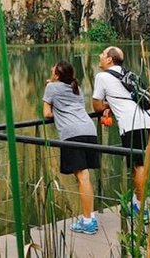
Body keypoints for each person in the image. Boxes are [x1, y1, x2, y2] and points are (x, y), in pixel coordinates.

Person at [92, 46, 150, 218]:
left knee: (139, 165)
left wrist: (106, 106)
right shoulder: (129, 74)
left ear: (110, 59)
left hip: (132, 124)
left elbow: (96, 106)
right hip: (148, 120)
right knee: (139, 164)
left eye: (103, 54)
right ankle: (138, 202)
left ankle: (142, 209)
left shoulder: (102, 77)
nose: (100, 56)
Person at [42, 60, 100, 235]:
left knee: (82, 176)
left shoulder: (51, 88)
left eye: (53, 69)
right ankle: (88, 217)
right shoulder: (77, 88)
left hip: (72, 133)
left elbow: (46, 114)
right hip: (89, 129)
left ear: (57, 75)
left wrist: (56, 111)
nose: (51, 70)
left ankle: (88, 221)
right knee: (85, 176)